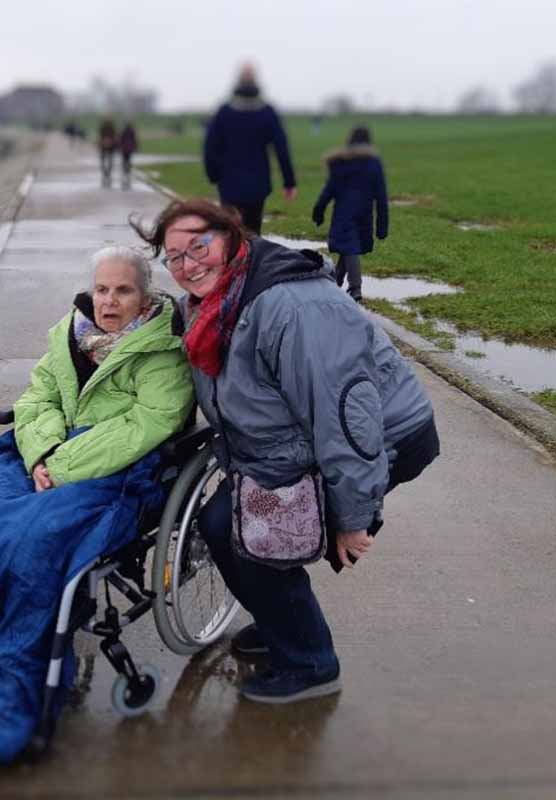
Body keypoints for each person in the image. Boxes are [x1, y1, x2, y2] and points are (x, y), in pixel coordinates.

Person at [0, 246, 194, 769]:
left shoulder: (161, 353)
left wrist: (66, 464)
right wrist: (43, 455)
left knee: (30, 546)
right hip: (38, 458)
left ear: (145, 299)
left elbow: (151, 423)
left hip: (113, 472)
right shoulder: (68, 337)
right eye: (101, 289)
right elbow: (36, 402)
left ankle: (9, 701)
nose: (109, 301)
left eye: (122, 290)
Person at [133, 199, 439, 704]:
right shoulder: (213, 305)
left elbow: (346, 417)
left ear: (231, 238)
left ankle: (310, 663)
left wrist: (354, 515)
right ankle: (284, 626)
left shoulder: (291, 307)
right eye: (175, 258)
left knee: (253, 540)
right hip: (291, 448)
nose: (189, 265)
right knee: (223, 525)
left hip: (379, 439)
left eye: (199, 246)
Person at [203, 62, 297, 234]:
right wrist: (289, 181)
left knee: (230, 232)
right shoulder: (267, 112)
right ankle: (252, 259)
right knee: (253, 233)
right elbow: (281, 148)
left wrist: (214, 175)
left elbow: (210, 148)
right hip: (258, 183)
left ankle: (232, 259)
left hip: (229, 182)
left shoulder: (224, 112)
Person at [311, 126, 389, 302]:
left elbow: (329, 190)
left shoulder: (341, 162)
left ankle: (354, 288)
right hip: (364, 214)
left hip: (344, 213)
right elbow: (382, 197)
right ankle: (339, 283)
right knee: (350, 247)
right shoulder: (373, 163)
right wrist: (382, 225)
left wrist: (319, 210)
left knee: (349, 247)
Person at [97, 117, 118, 186]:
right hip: (106, 146)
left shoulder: (109, 128)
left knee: (107, 161)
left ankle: (106, 173)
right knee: (107, 161)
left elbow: (100, 137)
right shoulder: (110, 128)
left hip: (108, 146)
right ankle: (106, 173)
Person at [119, 121, 139, 189]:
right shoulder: (132, 131)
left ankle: (125, 171)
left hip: (124, 148)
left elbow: (120, 140)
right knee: (128, 160)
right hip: (130, 148)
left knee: (124, 161)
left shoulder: (123, 131)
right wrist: (136, 147)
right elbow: (135, 140)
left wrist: (119, 147)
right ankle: (128, 172)